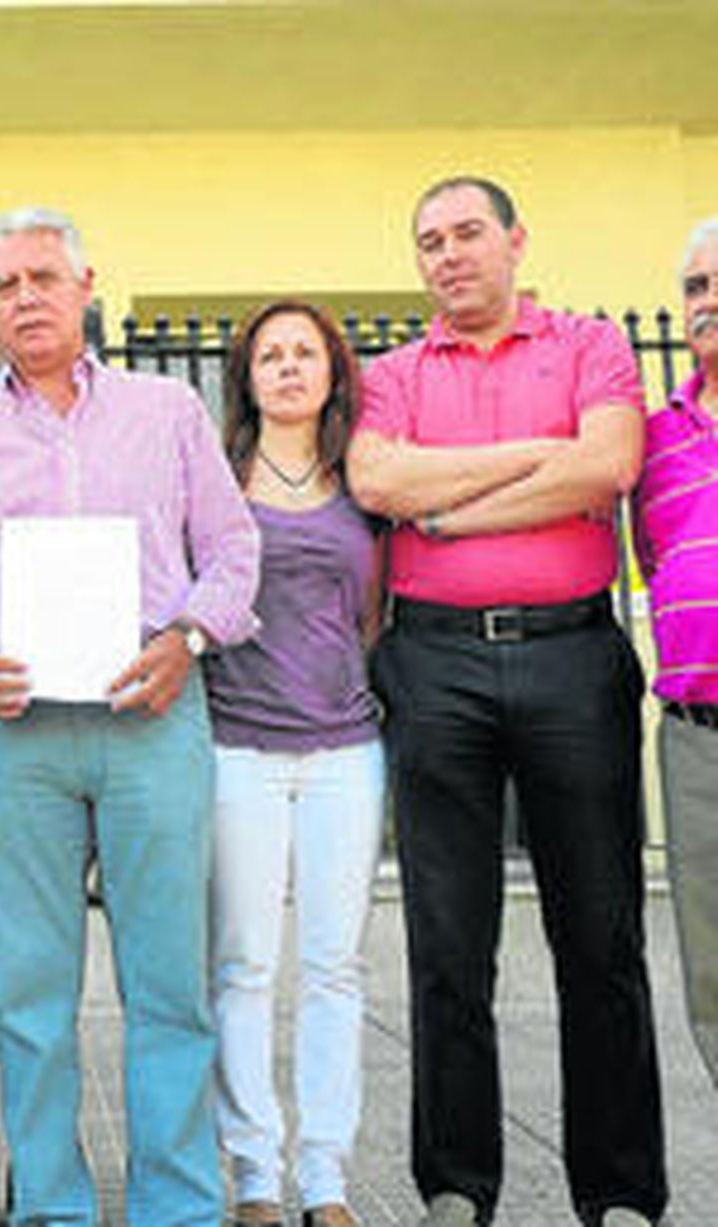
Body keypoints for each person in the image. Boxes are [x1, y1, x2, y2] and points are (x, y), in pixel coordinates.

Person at [0, 206, 260, 1227]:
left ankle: (177, 1206)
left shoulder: (168, 411)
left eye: (42, 279)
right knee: (29, 994)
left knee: (168, 984)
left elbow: (234, 552)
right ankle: (52, 1207)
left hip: (153, 717)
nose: (24, 299)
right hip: (15, 737)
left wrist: (186, 638)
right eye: (5, 284)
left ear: (85, 287)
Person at [349, 175, 665, 1227]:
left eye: (467, 233)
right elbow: (380, 485)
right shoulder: (391, 373)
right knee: (447, 943)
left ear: (515, 239)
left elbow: (606, 467)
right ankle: (455, 1185)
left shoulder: (590, 346)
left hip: (573, 657)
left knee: (602, 936)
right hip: (434, 666)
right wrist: (538, 456)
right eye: (428, 240)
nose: (448, 255)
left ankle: (619, 1192)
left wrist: (451, 512)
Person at [205, 301, 383, 1227]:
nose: (286, 367)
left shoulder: (365, 479)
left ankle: (324, 1177)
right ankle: (255, 1175)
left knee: (332, 965)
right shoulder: (216, 477)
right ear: (247, 377)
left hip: (346, 749)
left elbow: (375, 613)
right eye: (268, 354)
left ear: (331, 370)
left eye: (303, 352)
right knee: (242, 964)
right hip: (236, 747)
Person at [633, 215, 718, 1089]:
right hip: (697, 736)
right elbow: (656, 564)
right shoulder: (654, 438)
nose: (708, 301)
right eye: (696, 286)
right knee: (714, 975)